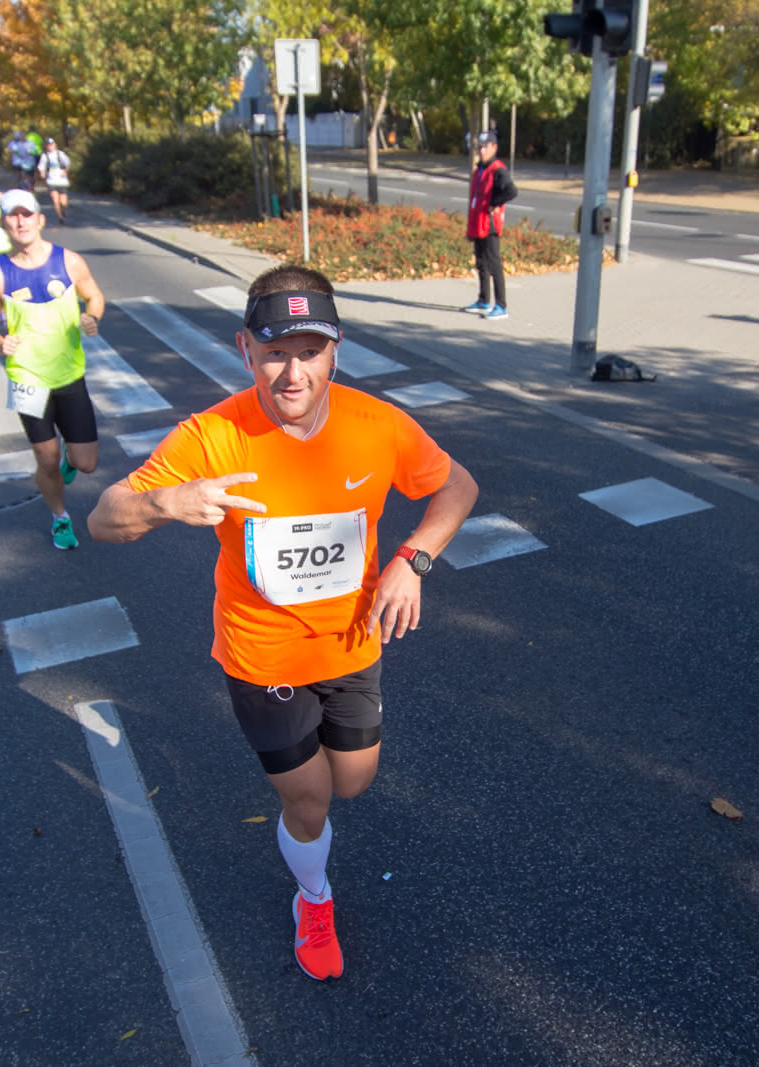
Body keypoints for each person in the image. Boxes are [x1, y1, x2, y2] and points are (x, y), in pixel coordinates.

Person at [86, 265, 480, 982]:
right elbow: (104, 514)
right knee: (310, 798)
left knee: (353, 782)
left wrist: (413, 560)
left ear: (336, 351)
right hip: (261, 654)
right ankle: (315, 897)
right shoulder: (214, 434)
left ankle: (313, 826)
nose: (292, 372)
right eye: (274, 352)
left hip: (352, 641)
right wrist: (164, 503)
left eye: (309, 350)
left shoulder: (377, 425)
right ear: (245, 350)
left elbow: (458, 486)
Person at [0, 189, 105, 550]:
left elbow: (94, 295)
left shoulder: (70, 262)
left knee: (87, 463)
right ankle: (60, 519)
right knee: (45, 460)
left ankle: (68, 460)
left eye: (26, 214)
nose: (21, 221)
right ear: (4, 224)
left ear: (39, 219)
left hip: (69, 375)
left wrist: (91, 317)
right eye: (13, 216)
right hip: (27, 380)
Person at [461, 130, 517, 321]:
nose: (482, 150)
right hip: (478, 223)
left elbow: (511, 191)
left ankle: (501, 305)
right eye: (480, 147)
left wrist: (495, 203)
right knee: (481, 262)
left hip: (490, 224)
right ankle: (483, 299)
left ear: (494, 147)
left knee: (494, 263)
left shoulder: (498, 169)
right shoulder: (480, 169)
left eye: (485, 146)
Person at [37, 138, 71, 224]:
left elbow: (67, 164)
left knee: (63, 202)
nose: (50, 146)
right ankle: (60, 217)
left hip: (62, 181)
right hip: (51, 181)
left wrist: (65, 172)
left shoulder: (60, 154)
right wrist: (42, 173)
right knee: (55, 199)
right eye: (48, 145)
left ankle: (63, 211)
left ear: (55, 145)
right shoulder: (45, 156)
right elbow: (41, 167)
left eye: (51, 144)